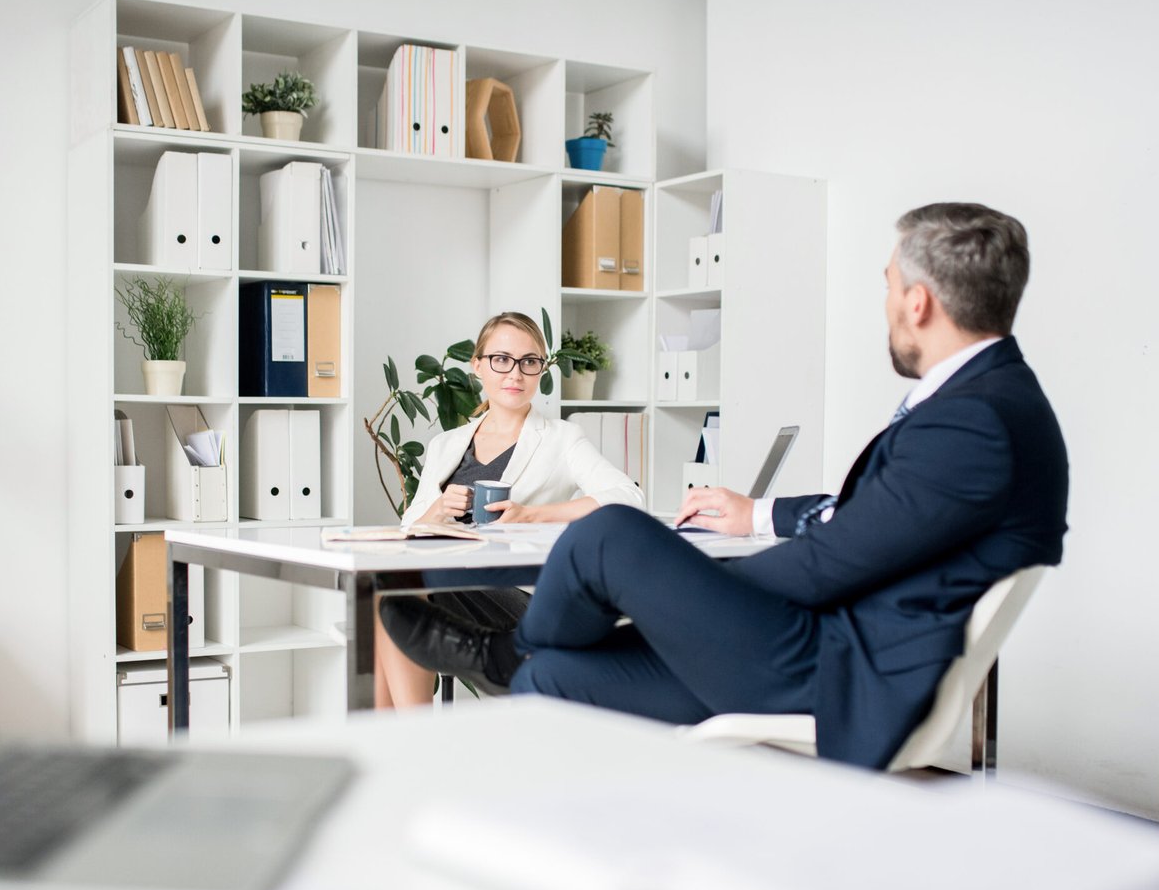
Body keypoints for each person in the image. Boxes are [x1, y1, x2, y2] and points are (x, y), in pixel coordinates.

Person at [381, 203, 1070, 769]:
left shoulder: (974, 421)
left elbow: (833, 562)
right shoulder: (986, 402)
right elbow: (876, 519)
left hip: (825, 666)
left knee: (614, 536)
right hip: (811, 648)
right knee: (549, 677)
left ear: (917, 302)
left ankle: (500, 649)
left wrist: (686, 595)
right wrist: (759, 514)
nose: (885, 301)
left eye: (887, 285)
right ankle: (522, 671)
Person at [373, 311, 644, 710]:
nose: (515, 374)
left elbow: (627, 496)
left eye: (529, 362)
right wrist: (437, 509)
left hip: (519, 594)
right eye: (501, 359)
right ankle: (400, 736)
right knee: (387, 585)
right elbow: (409, 527)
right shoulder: (446, 445)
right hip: (450, 585)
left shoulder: (561, 438)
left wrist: (533, 515)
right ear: (478, 366)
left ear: (540, 371)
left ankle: (410, 737)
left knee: (393, 589)